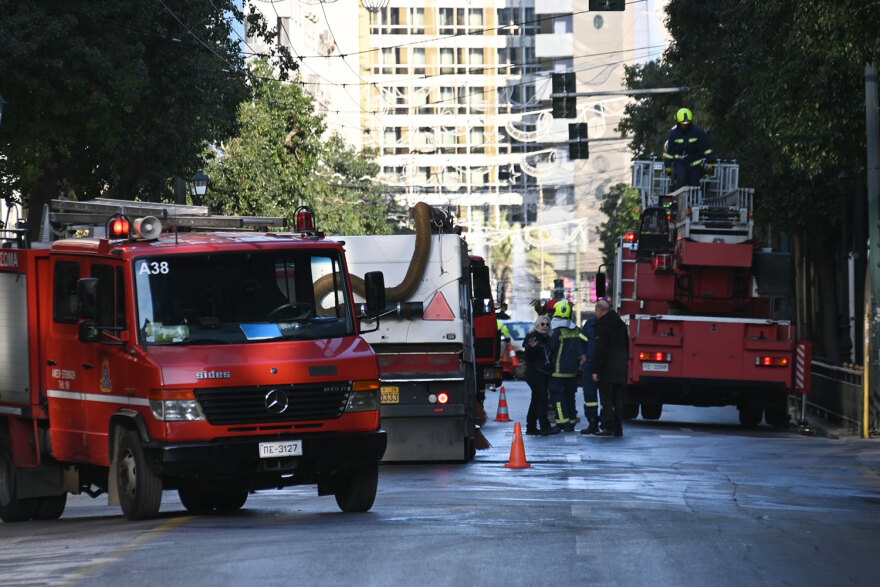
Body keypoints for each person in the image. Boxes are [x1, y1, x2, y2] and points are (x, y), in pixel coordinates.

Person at [591, 299, 629, 437]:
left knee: (606, 400)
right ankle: (618, 428)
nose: (596, 315)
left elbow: (600, 350)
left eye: (596, 312)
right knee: (619, 400)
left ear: (600, 311)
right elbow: (626, 346)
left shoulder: (602, 326)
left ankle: (609, 426)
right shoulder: (621, 325)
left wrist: (595, 370)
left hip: (607, 369)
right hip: (621, 368)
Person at [522, 316, 560, 436]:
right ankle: (545, 427)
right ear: (537, 325)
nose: (545, 326)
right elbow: (527, 356)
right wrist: (531, 349)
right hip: (535, 372)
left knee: (536, 400)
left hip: (544, 373)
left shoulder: (547, 338)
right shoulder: (534, 337)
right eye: (542, 324)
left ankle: (531, 427)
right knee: (542, 400)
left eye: (547, 324)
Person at [548, 300, 580, 432]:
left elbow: (550, 349)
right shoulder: (576, 329)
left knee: (558, 398)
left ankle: (562, 423)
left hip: (558, 372)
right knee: (570, 397)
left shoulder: (557, 332)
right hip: (573, 372)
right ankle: (571, 422)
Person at [663, 108, 715, 189]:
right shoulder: (673, 133)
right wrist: (668, 166)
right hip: (680, 162)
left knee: (694, 185)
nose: (685, 125)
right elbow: (670, 151)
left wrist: (711, 161)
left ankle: (694, 200)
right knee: (681, 178)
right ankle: (678, 198)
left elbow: (707, 147)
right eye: (683, 123)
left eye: (687, 123)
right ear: (678, 122)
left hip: (695, 163)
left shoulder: (698, 131)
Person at [578, 311, 601, 435]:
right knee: (589, 396)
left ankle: (607, 423)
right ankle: (592, 422)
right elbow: (582, 342)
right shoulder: (590, 324)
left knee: (606, 398)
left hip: (605, 366)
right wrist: (584, 357)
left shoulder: (612, 325)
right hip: (590, 366)